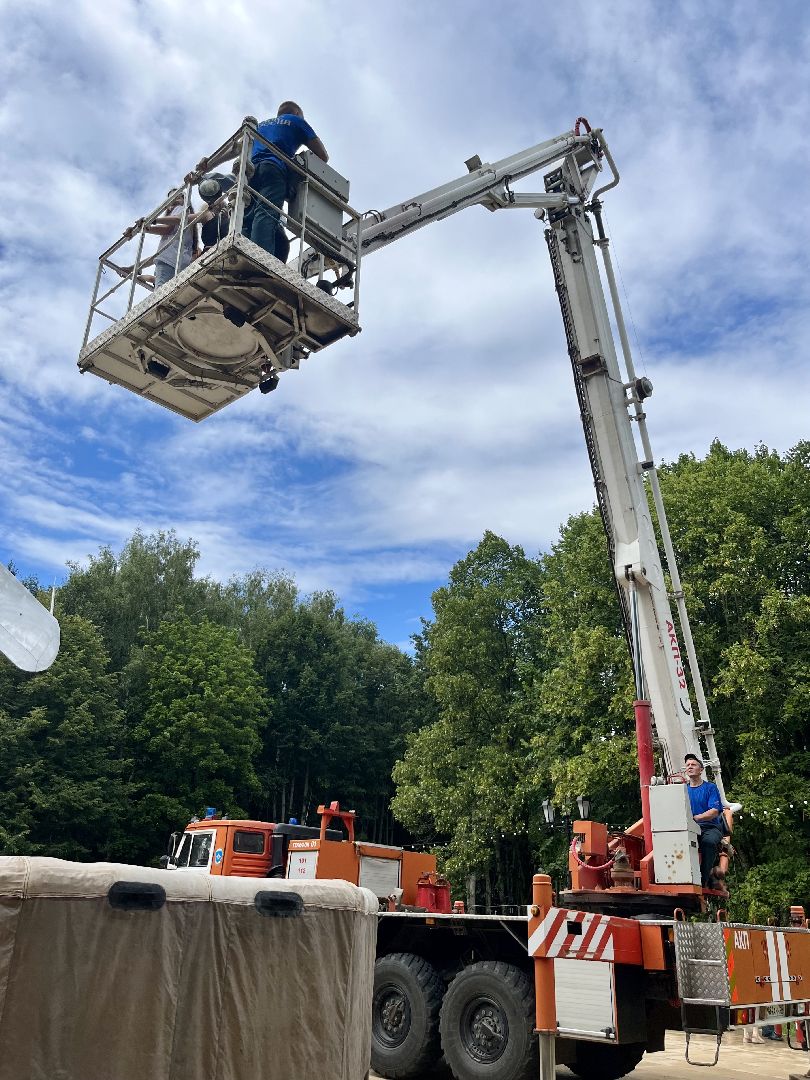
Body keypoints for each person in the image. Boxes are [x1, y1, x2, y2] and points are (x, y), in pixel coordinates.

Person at [246, 101, 328, 259]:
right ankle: (259, 258)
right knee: (266, 213)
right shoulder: (297, 121)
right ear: (297, 113)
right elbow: (323, 156)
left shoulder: (260, 126)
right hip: (274, 169)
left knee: (248, 214)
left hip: (250, 171)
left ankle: (243, 249)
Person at [683, 753, 724, 888]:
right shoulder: (683, 790)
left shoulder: (710, 788)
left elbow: (714, 811)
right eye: (688, 765)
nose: (690, 767)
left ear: (701, 770)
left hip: (710, 827)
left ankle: (702, 880)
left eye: (693, 764)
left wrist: (697, 818)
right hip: (689, 827)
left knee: (708, 842)